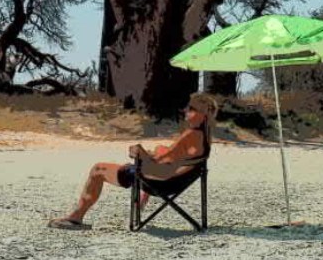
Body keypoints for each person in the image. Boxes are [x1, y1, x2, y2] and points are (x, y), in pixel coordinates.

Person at [49, 93, 218, 230]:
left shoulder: (190, 135)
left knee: (98, 169)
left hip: (161, 184)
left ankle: (76, 218)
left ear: (203, 115)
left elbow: (159, 160)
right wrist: (159, 152)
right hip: (173, 181)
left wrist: (138, 151)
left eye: (192, 109)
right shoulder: (206, 136)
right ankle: (140, 204)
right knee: (158, 153)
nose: (186, 111)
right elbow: (171, 158)